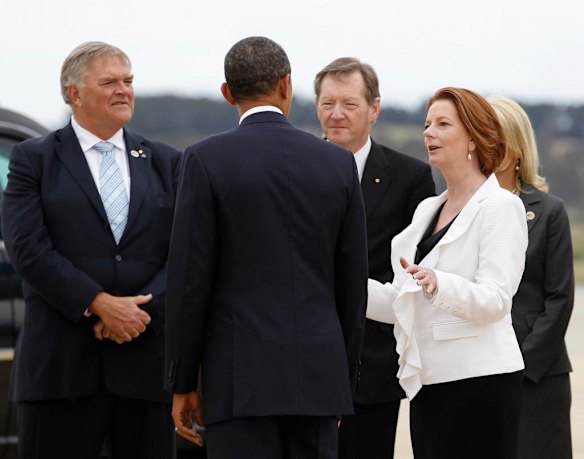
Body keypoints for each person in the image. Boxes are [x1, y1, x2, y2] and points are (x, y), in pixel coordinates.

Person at [165, 36, 368, 459]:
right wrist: (339, 386)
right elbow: (352, 287)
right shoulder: (337, 163)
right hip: (318, 382)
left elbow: (189, 281)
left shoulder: (204, 160)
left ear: (227, 93)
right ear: (286, 85)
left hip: (239, 385)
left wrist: (182, 381)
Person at [1, 41, 181, 458]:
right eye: (109, 82)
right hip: (61, 372)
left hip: (144, 365)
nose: (124, 90)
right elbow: (28, 249)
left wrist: (136, 314)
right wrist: (98, 304)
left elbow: (185, 253)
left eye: (128, 81)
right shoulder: (33, 160)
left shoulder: (166, 162)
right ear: (74, 93)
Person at [366, 87, 528, 459]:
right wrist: (342, 286)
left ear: (472, 137)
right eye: (427, 124)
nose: (428, 133)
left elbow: (496, 301)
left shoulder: (501, 207)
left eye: (442, 124)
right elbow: (400, 302)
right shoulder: (427, 209)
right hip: (430, 383)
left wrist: (441, 284)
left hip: (481, 384)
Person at [314, 57, 435, 458]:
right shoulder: (292, 168)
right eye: (327, 102)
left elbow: (415, 269)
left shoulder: (410, 177)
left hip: (376, 362)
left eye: (349, 103)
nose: (336, 114)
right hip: (303, 355)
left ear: (375, 108)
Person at [489, 95, 574, 459]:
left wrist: (519, 366)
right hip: (475, 376)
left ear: (517, 145)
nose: (487, 144)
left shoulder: (550, 211)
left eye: (496, 135)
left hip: (535, 377)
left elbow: (560, 299)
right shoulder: (456, 209)